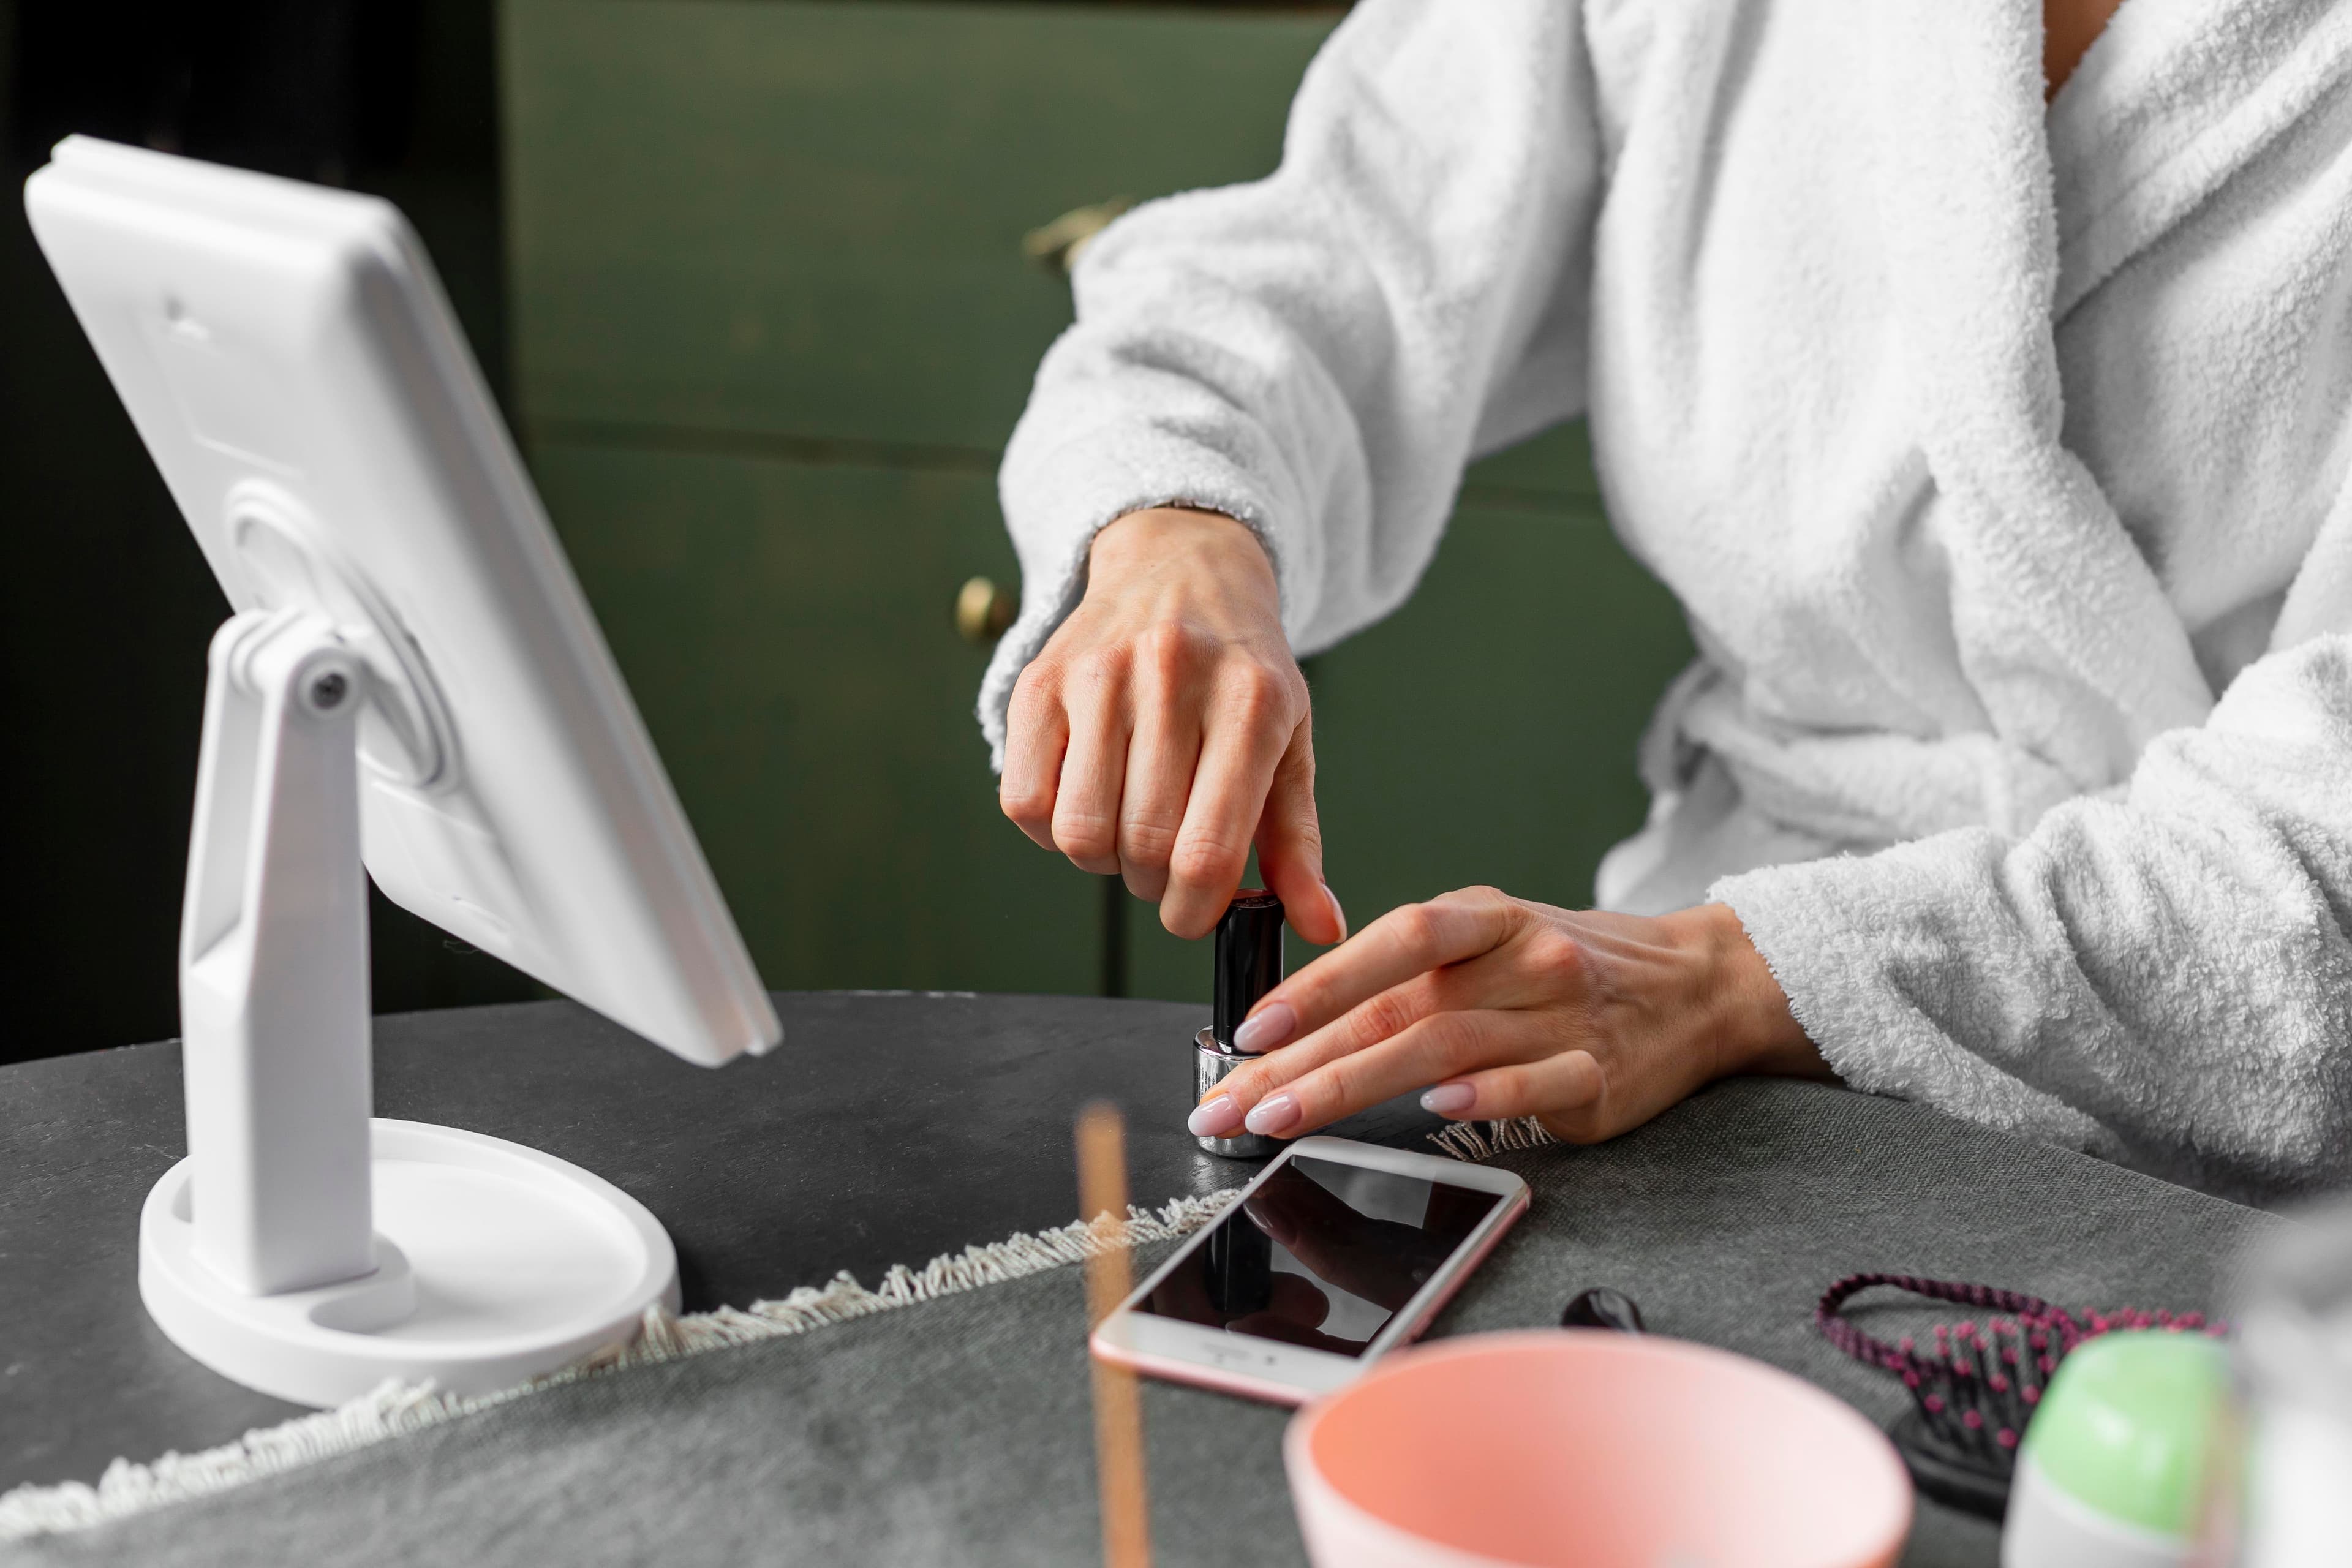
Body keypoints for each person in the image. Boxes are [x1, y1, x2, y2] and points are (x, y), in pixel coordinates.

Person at [979, 0, 2352, 1203]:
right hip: (1685, 1045)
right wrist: (1177, 521)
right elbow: (1312, 265)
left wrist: (1736, 976)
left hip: (2243, 1151)